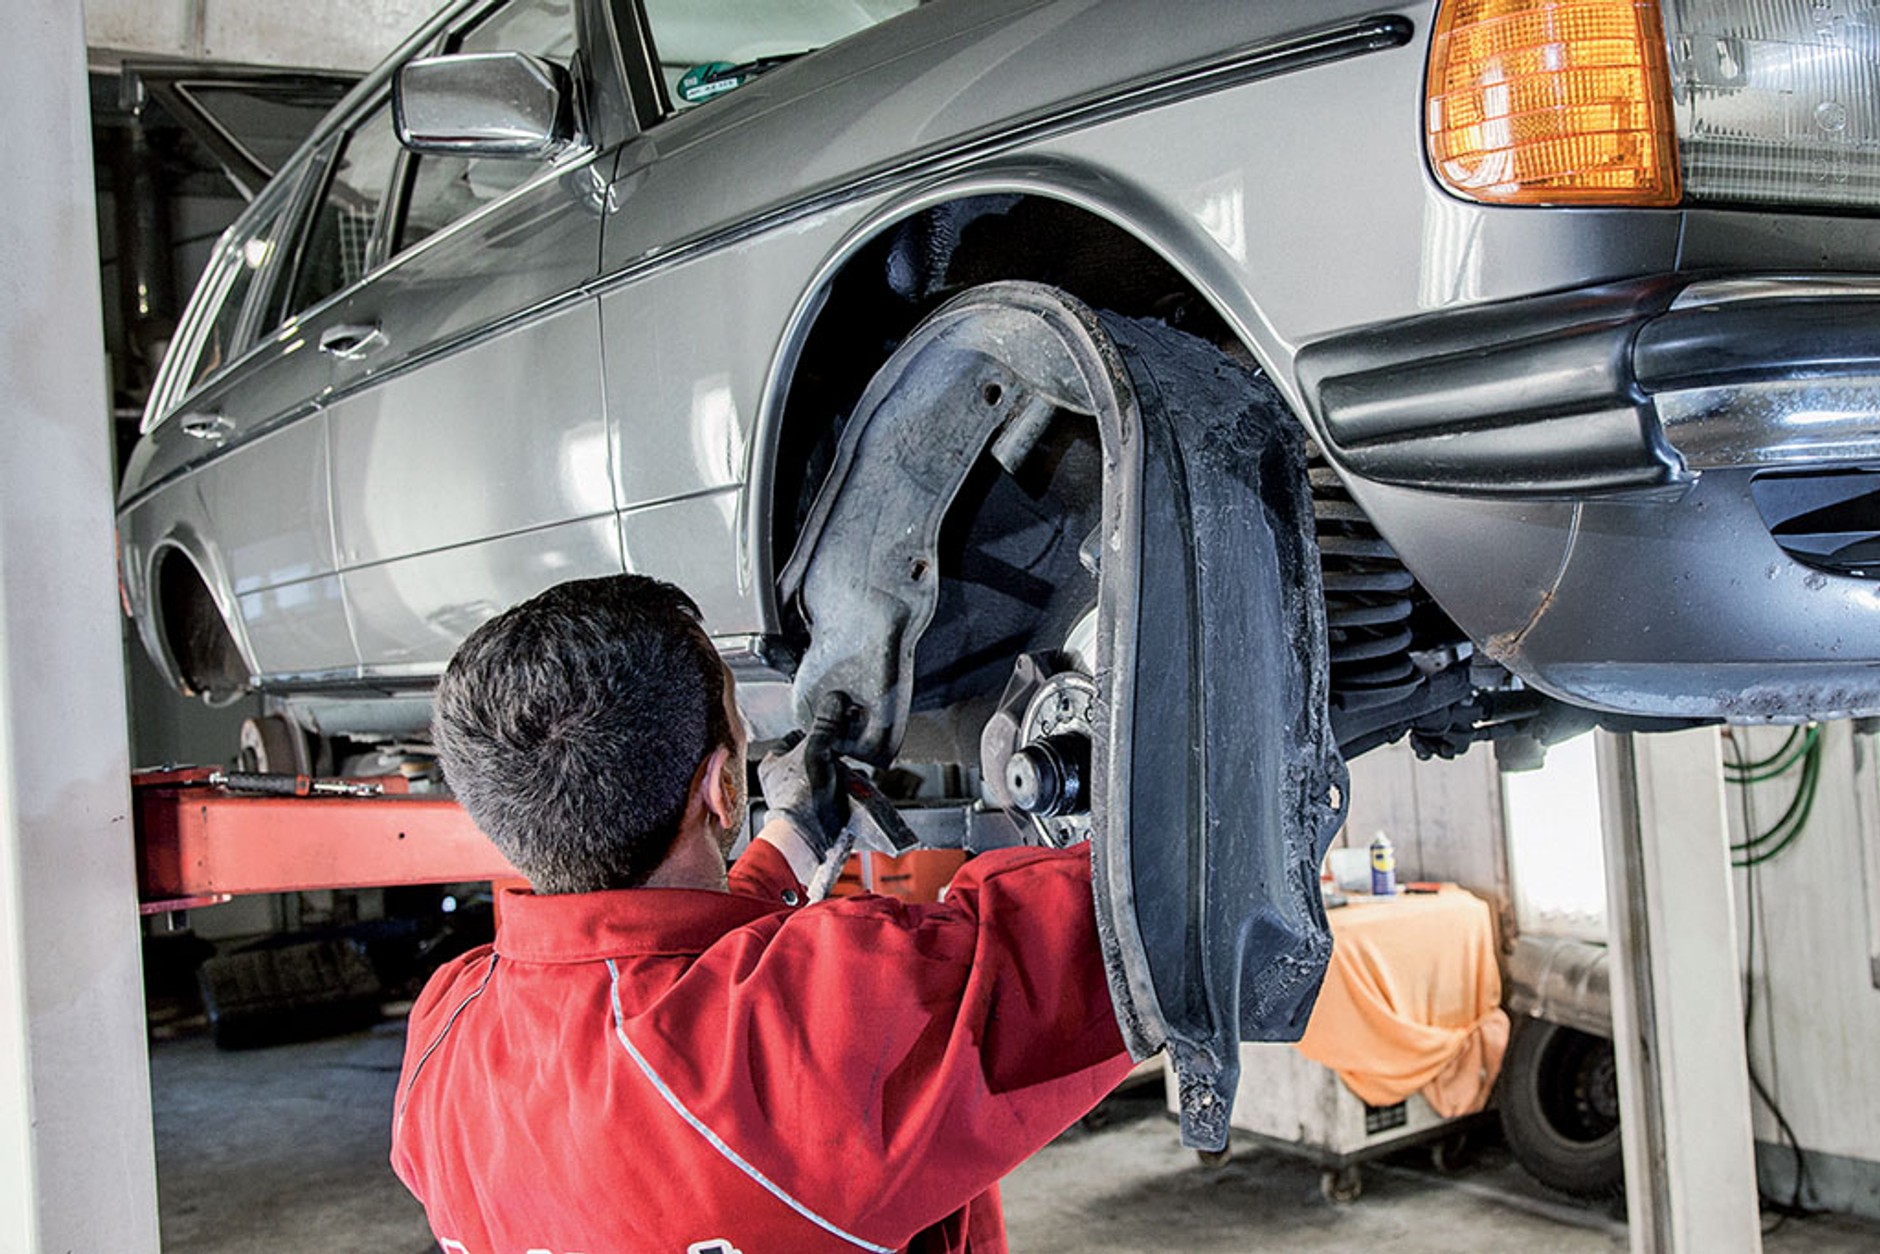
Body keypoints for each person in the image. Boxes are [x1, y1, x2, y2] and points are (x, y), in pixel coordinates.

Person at [392, 574, 1133, 1254]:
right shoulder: (815, 1041)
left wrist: (794, 834)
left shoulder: (443, 1037)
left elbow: (670, 985)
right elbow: (1129, 927)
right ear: (721, 790)